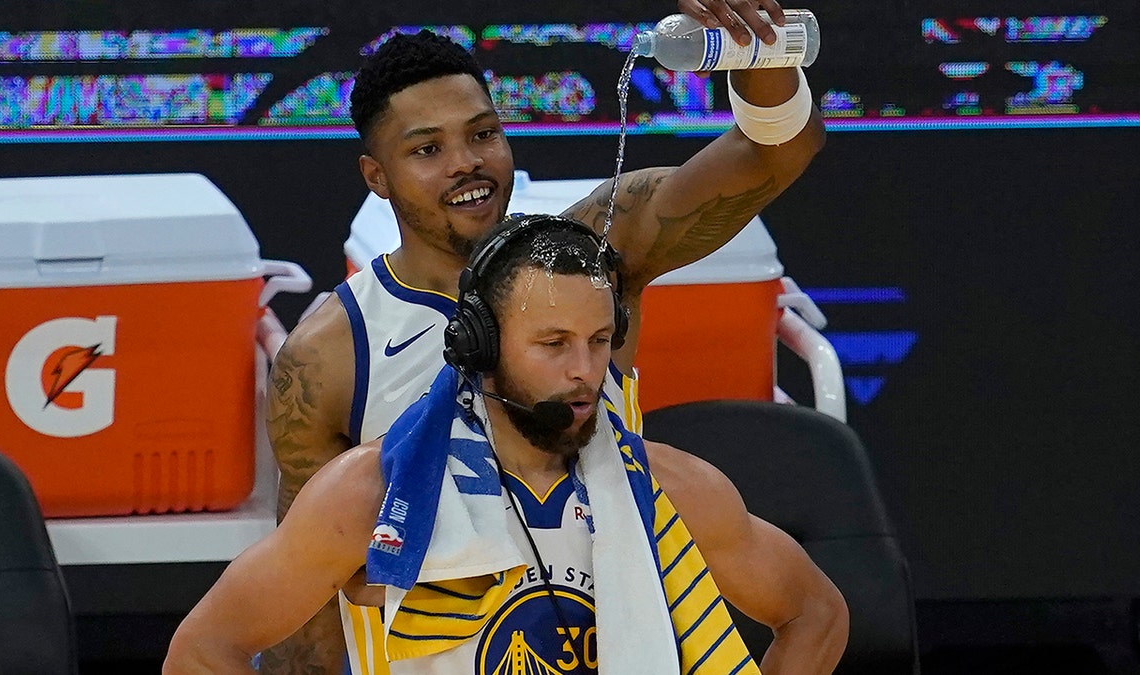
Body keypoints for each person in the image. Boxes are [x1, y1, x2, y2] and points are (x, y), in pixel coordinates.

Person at [265, 1, 826, 670]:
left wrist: (758, 52)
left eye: (482, 134)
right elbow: (305, 611)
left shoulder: (595, 249)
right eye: (427, 148)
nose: (465, 163)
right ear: (376, 176)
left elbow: (778, 151)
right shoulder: (328, 356)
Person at [166, 215, 848, 675]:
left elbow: (816, 612)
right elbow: (203, 648)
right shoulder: (375, 496)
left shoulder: (673, 489)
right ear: (481, 347)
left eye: (599, 341)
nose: (585, 369)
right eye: (553, 344)